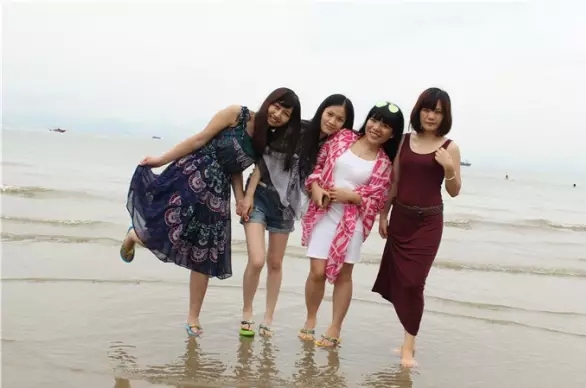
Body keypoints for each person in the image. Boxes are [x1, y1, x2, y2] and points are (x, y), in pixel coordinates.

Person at [119, 87, 301, 337]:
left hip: (217, 194)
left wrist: (240, 199)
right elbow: (199, 139)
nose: (278, 114)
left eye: (285, 113)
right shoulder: (237, 114)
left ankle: (193, 317)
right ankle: (135, 235)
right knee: (169, 230)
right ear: (268, 102)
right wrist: (160, 160)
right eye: (276, 107)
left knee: (203, 253)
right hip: (192, 174)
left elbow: (235, 169)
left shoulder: (265, 141)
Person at [238, 94, 354, 337]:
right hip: (260, 195)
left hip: (286, 206)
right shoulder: (298, 129)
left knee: (275, 262)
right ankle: (247, 312)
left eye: (340, 119)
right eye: (330, 114)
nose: (332, 121)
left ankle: (268, 318)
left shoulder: (333, 148)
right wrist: (247, 196)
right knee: (257, 259)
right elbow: (264, 162)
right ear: (321, 111)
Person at [299, 101, 404, 348]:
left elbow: (378, 199)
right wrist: (316, 187)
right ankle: (311, 318)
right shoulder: (342, 137)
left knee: (344, 276)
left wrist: (354, 197)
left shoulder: (384, 164)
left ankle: (335, 327)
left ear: (392, 134)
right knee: (317, 272)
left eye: (385, 125)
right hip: (324, 213)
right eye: (374, 120)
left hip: (352, 221)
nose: (376, 127)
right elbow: (318, 164)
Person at [372, 87, 462, 367]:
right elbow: (395, 181)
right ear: (418, 111)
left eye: (438, 111)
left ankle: (409, 346)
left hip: (428, 222)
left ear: (445, 116)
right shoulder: (403, 141)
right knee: (399, 282)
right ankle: (407, 341)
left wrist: (449, 168)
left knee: (414, 283)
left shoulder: (450, 147)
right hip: (401, 218)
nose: (431, 116)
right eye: (427, 109)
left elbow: (454, 191)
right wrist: (383, 214)